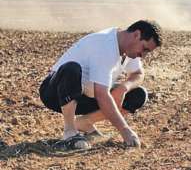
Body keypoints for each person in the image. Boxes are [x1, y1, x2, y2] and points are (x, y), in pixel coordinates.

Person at [39, 20, 162, 150]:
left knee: (138, 95)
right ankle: (70, 132)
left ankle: (85, 122)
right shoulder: (105, 45)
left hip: (85, 96)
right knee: (72, 69)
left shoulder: (129, 50)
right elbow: (102, 95)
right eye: (144, 49)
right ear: (136, 35)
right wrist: (125, 130)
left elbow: (138, 73)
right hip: (56, 93)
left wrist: (123, 88)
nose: (143, 55)